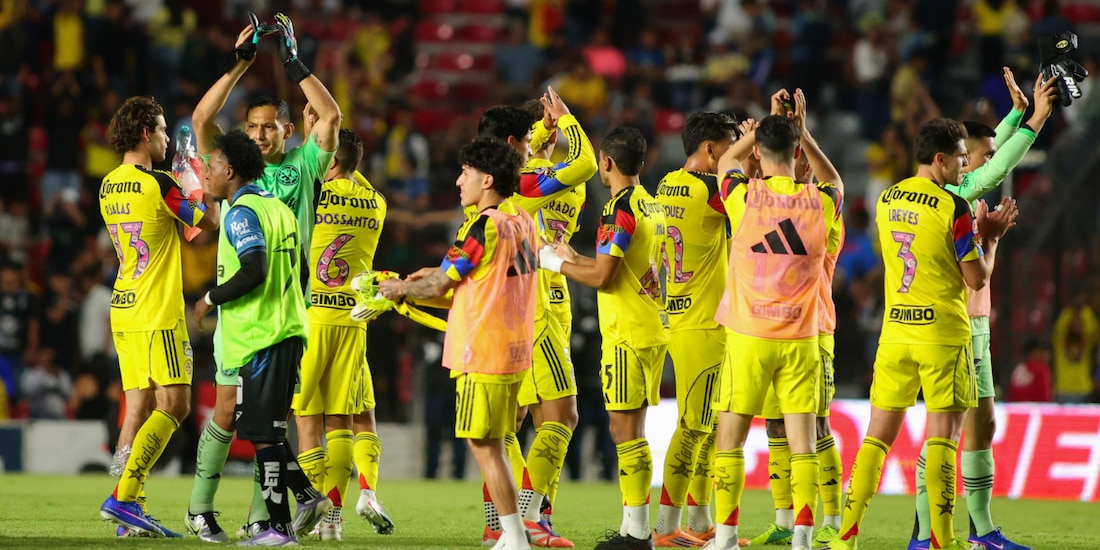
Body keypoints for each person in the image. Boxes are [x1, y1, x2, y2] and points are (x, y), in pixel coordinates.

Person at [823, 119, 1019, 550]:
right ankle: (943, 541)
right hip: (942, 335)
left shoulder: (886, 198)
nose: (966, 166)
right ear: (940, 158)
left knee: (876, 438)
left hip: (895, 333)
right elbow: (976, 279)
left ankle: (844, 537)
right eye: (961, 158)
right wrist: (991, 239)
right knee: (943, 440)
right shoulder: (955, 208)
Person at [187, 12, 341, 539]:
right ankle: (202, 508)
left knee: (268, 420)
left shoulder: (302, 166)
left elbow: (331, 115)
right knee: (231, 411)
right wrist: (239, 64)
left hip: (282, 307)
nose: (257, 134)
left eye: (267, 127)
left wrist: (293, 63)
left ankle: (262, 518)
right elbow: (201, 120)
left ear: (287, 130)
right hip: (243, 310)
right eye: (251, 127)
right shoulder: (232, 168)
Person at [908, 68, 1058, 550]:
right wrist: (1036, 119)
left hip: (975, 322)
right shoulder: (952, 193)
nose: (993, 161)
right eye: (983, 154)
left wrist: (1016, 113)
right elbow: (993, 169)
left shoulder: (961, 192)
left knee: (981, 425)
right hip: (953, 323)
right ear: (960, 158)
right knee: (948, 431)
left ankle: (979, 530)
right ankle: (931, 531)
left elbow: (992, 155)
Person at [379, 137, 538, 550]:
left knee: (484, 446)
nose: (458, 181)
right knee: (496, 444)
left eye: (465, 173)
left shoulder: (483, 226)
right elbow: (475, 284)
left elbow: (440, 284)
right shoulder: (522, 220)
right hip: (514, 348)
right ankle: (513, 534)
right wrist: (428, 280)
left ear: (487, 180)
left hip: (482, 350)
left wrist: (399, 288)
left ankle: (514, 536)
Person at [706, 89, 843, 550]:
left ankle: (726, 538)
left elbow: (728, 160)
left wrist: (765, 123)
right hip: (801, 338)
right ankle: (803, 537)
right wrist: (804, 133)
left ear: (760, 154)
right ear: (797, 152)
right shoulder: (822, 203)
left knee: (730, 440)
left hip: (749, 335)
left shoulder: (743, 196)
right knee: (804, 443)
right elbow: (835, 180)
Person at [477, 89, 597, 548]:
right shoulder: (528, 183)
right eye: (529, 137)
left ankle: (503, 521)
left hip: (539, 302)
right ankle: (528, 517)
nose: (536, 142)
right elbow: (583, 164)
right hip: (537, 304)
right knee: (559, 415)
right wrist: (563, 120)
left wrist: (544, 132)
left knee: (515, 418)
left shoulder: (497, 186)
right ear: (515, 142)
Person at [540, 127, 669, 550]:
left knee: (624, 431)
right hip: (651, 327)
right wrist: (574, 256)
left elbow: (603, 278)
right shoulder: (650, 203)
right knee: (634, 430)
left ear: (606, 163)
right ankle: (635, 528)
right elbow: (618, 265)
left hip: (626, 333)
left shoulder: (618, 209)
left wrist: (552, 263)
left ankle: (636, 534)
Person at [191, 129, 322, 546]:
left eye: (213, 166)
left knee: (264, 436)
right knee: (266, 430)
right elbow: (301, 268)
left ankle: (278, 528)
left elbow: (254, 269)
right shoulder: (278, 208)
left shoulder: (241, 213)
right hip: (287, 329)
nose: (207, 173)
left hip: (262, 335)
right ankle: (304, 497)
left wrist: (209, 298)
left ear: (230, 171)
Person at [97, 95, 218, 538]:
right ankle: (124, 497)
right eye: (164, 130)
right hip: (158, 310)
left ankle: (128, 509)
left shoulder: (108, 184)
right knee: (176, 404)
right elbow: (205, 222)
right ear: (146, 133)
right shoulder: (160, 183)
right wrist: (197, 181)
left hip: (124, 306)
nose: (168, 138)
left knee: (136, 408)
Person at [745, 91, 848, 549]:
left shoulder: (820, 211)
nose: (800, 166)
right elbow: (758, 183)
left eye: (804, 159)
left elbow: (832, 185)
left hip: (814, 329)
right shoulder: (775, 200)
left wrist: (801, 136)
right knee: (775, 428)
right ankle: (784, 519)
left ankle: (832, 519)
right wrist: (777, 130)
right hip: (773, 328)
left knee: (816, 427)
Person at [291, 129, 393, 540]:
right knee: (342, 422)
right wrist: (347, 159)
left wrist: (317, 143)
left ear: (329, 161)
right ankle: (333, 519)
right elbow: (351, 170)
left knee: (306, 422)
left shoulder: (314, 195)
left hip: (311, 318)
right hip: (352, 321)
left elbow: (304, 170)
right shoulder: (376, 202)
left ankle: (314, 509)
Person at [650, 111, 739, 548]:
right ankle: (666, 526)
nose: (734, 157)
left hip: (680, 316)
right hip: (704, 324)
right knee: (693, 427)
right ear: (709, 149)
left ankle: (701, 522)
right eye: (730, 148)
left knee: (708, 426)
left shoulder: (667, 183)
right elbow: (752, 201)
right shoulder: (710, 190)